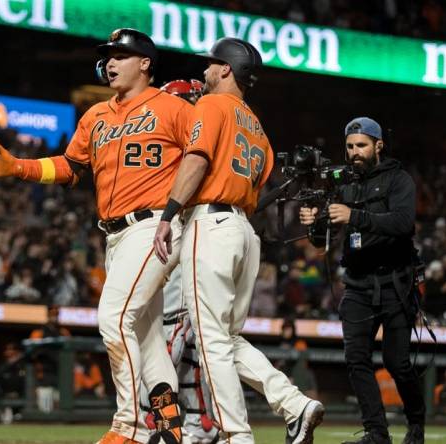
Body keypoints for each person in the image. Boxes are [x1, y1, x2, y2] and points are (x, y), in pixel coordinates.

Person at [0, 28, 192, 444]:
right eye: (108, 55)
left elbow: (204, 157)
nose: (111, 61)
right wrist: (21, 168)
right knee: (145, 335)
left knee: (114, 320)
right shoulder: (96, 115)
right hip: (115, 236)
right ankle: (171, 428)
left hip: (154, 226)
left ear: (145, 63)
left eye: (121, 54)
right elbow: (70, 166)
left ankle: (129, 428)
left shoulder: (173, 108)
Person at [153, 38, 324, 444]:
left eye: (212, 64)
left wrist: (168, 213)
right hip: (244, 230)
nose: (206, 70)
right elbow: (262, 187)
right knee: (227, 339)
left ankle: (236, 436)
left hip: (210, 224)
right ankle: (295, 404)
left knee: (212, 342)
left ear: (227, 69)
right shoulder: (255, 124)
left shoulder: (211, 106)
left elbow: (197, 160)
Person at [300, 117, 425, 444]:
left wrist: (355, 215)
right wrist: (314, 224)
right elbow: (321, 241)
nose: (355, 152)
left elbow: (403, 223)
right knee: (356, 359)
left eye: (362, 145)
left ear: (378, 145)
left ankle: (416, 425)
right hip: (357, 284)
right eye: (350, 146)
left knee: (397, 363)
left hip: (396, 284)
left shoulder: (399, 179)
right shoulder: (344, 184)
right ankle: (376, 433)